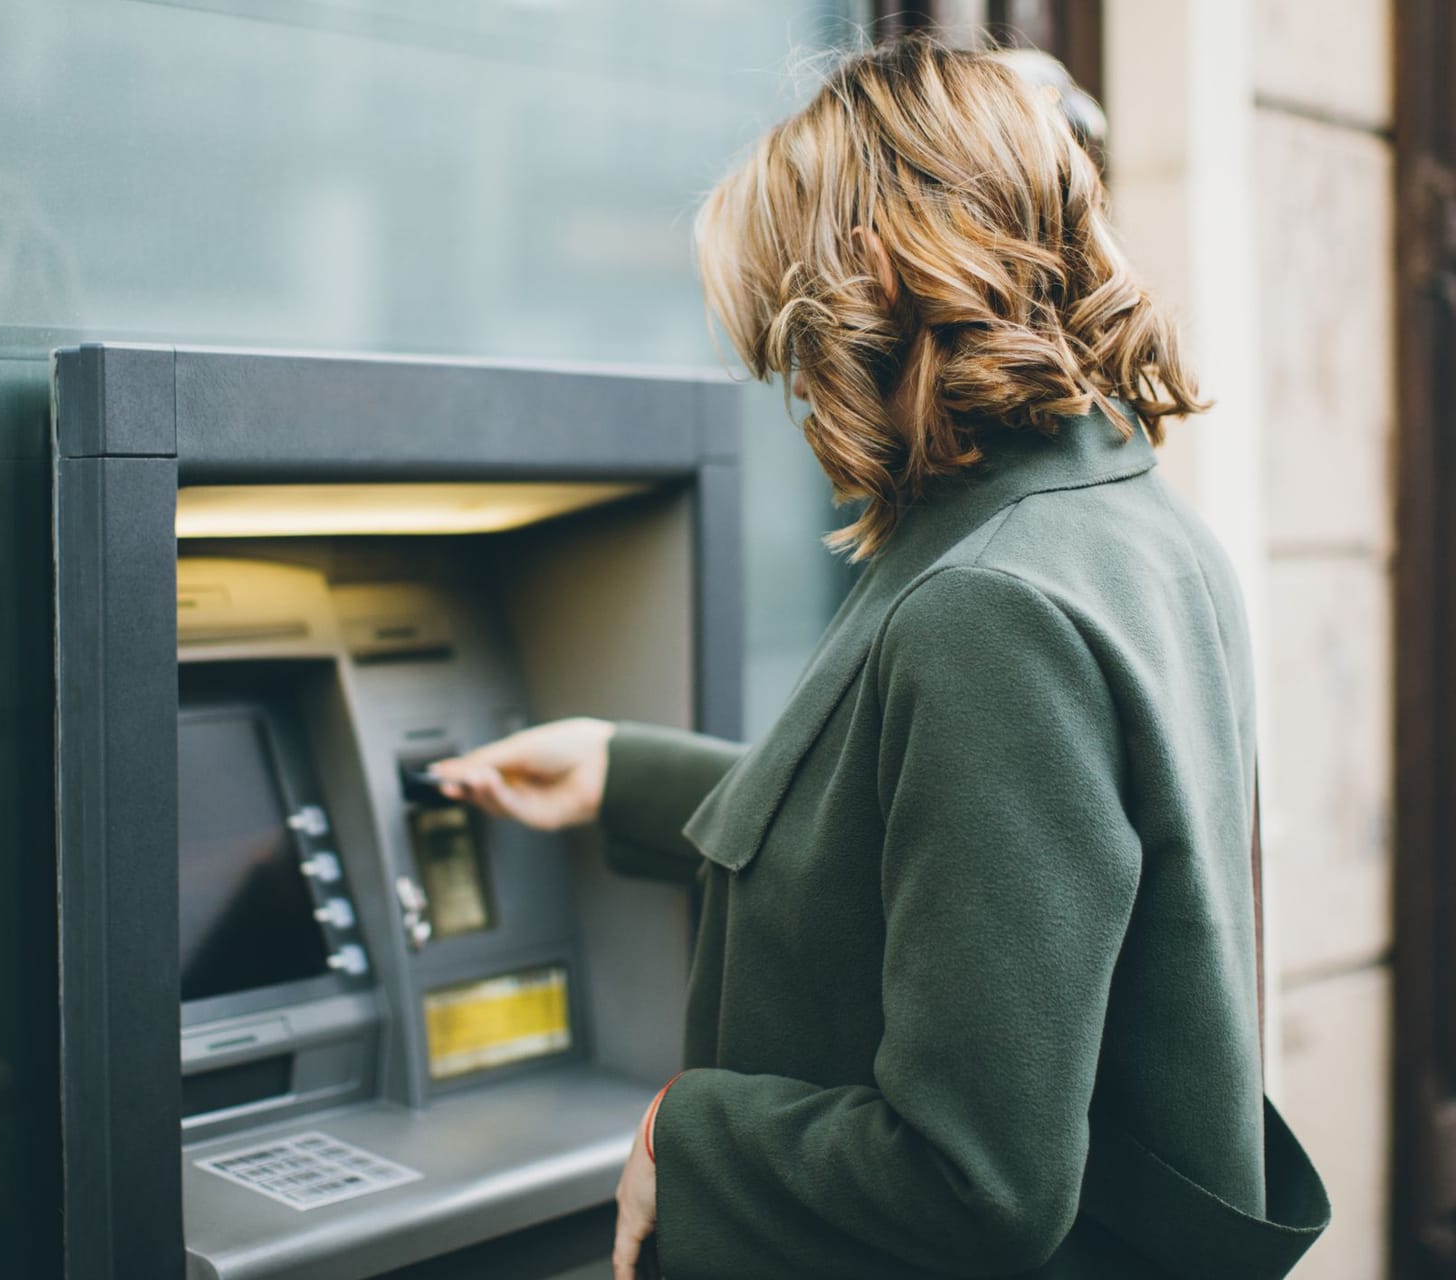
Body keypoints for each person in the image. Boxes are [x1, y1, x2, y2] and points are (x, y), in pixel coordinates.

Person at [430, 33, 1329, 1280]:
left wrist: (681, 1134)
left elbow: (974, 1176)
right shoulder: (1130, 530)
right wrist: (622, 771)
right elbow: (939, 846)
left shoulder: (990, 606)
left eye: (788, 340)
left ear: (866, 282)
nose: (797, 392)